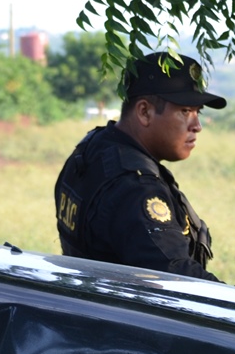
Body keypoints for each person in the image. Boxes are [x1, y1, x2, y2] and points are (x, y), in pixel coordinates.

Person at [54, 51, 226, 281]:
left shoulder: (93, 146)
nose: (197, 126)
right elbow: (177, 280)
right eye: (185, 111)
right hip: (117, 313)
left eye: (197, 113)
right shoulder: (136, 189)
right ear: (144, 112)